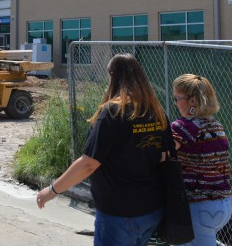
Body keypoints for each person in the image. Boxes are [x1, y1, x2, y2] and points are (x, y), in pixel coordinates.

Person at [36, 53, 171, 246]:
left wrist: (52, 190)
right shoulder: (156, 111)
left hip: (120, 214)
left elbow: (89, 164)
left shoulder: (113, 112)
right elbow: (163, 156)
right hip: (152, 209)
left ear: (113, 76)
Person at [170, 74, 232, 246]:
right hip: (224, 204)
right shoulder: (215, 125)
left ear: (192, 101)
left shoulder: (184, 126)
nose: (175, 102)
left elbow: (160, 154)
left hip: (200, 205)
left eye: (177, 98)